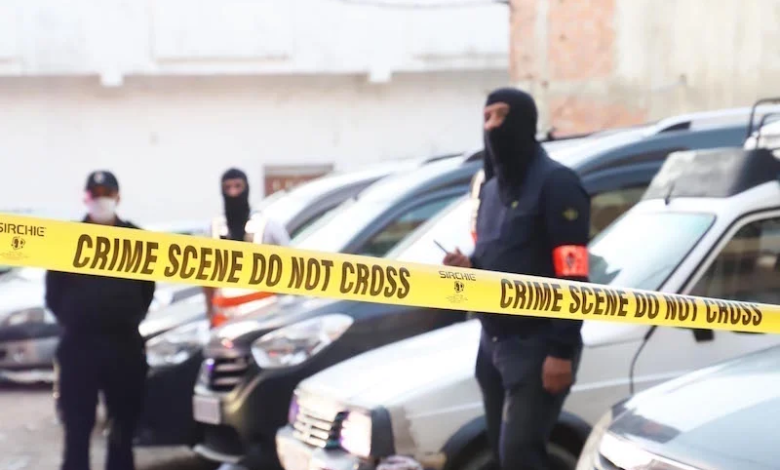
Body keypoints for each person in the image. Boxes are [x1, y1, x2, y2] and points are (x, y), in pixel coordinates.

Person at [443, 88, 590, 470]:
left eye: (501, 116)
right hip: (493, 345)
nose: (492, 126)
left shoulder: (558, 184)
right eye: (486, 117)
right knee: (501, 454)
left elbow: (573, 272)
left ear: (524, 121)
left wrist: (561, 350)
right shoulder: (490, 190)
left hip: (538, 344)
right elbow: (497, 255)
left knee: (520, 455)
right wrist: (469, 266)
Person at [46, 170, 155, 470]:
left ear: (118, 197)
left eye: (107, 193)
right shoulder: (67, 239)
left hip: (123, 346)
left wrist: (125, 317)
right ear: (85, 198)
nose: (101, 199)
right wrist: (76, 318)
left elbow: (146, 290)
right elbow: (53, 294)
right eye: (95, 194)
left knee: (122, 427)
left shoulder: (136, 238)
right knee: (77, 428)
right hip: (79, 347)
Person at [204, 168, 291, 323]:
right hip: (226, 317)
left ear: (246, 188)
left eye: (238, 186)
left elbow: (290, 265)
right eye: (227, 187)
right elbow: (205, 275)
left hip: (264, 315)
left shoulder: (268, 227)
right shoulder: (213, 229)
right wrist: (210, 312)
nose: (233, 193)